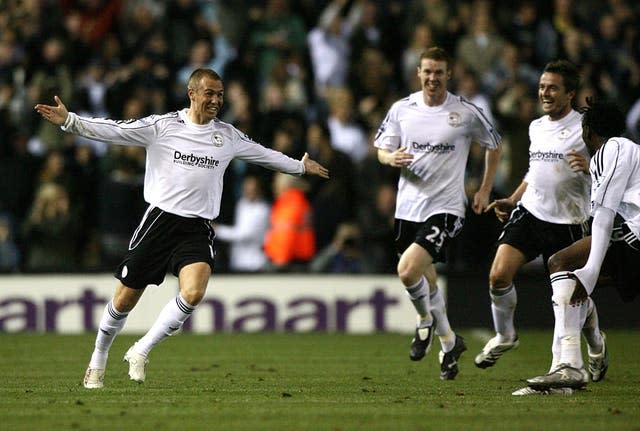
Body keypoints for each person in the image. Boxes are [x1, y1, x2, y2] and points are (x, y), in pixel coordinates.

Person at [34, 68, 329, 389]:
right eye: (209, 93)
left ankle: (141, 350)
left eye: (220, 94)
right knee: (124, 301)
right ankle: (98, 359)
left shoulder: (227, 136)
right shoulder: (162, 126)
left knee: (193, 292)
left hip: (197, 227)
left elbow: (264, 155)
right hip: (159, 222)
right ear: (192, 93)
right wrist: (70, 121)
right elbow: (114, 130)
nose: (216, 99)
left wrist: (299, 167)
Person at [374, 47, 501, 380]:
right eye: (427, 72)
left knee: (407, 271)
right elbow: (381, 149)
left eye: (439, 72)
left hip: (446, 207)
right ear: (419, 72)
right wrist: (390, 159)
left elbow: (494, 145)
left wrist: (485, 189)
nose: (433, 78)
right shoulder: (402, 109)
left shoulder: (466, 111)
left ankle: (425, 321)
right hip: (408, 207)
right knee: (425, 279)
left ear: (449, 75)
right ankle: (449, 343)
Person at [474, 60, 606, 380]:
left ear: (570, 94)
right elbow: (534, 171)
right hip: (532, 212)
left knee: (571, 300)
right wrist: (513, 198)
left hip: (570, 221)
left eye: (552, 88)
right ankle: (505, 335)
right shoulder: (536, 126)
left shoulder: (587, 128)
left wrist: (590, 168)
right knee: (498, 275)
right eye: (542, 86)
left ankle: (596, 344)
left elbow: (613, 168)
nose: (544, 93)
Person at [522, 98, 638, 392]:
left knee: (561, 263)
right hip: (630, 237)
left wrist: (591, 268)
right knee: (572, 289)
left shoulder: (613, 149)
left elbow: (605, 214)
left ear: (588, 131)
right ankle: (579, 357)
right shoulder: (624, 151)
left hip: (634, 236)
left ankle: (569, 366)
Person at [213, 175, 271, 273]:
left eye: (252, 189)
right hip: (237, 261)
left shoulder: (263, 210)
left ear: (259, 190)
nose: (249, 192)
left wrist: (217, 229)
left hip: (254, 263)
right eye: (246, 189)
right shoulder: (242, 204)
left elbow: (243, 234)